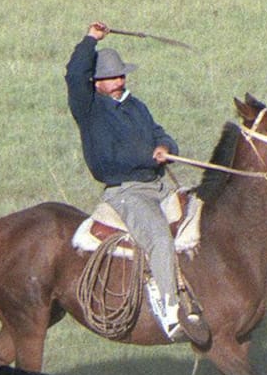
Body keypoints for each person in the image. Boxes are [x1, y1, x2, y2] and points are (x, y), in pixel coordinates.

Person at [65, 20, 209, 345]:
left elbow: (159, 133)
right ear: (96, 82)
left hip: (159, 184)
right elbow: (74, 74)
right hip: (127, 192)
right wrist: (90, 39)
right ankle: (172, 313)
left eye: (120, 76)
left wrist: (166, 148)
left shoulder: (136, 105)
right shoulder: (87, 107)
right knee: (158, 237)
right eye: (110, 78)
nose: (117, 82)